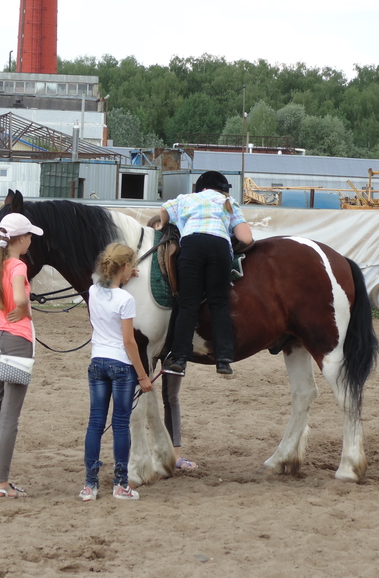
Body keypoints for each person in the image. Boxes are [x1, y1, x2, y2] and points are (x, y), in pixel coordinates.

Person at [160, 170, 253, 376]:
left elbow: (164, 211)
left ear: (201, 188)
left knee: (188, 303)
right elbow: (246, 238)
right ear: (223, 190)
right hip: (219, 246)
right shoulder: (228, 202)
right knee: (219, 303)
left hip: (192, 244)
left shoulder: (186, 199)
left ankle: (179, 358)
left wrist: (163, 223)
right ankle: (223, 359)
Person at [80, 243, 153, 501]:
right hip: (121, 365)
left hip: (97, 362)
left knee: (95, 423)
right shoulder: (126, 300)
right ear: (124, 267)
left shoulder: (93, 291)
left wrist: (125, 275)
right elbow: (129, 341)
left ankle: (90, 485)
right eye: (131, 266)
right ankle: (121, 484)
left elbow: (106, 285)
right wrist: (143, 376)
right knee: (121, 425)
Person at [0, 212, 44, 499]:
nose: (30, 240)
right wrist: (24, 308)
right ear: (20, 239)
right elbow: (19, 299)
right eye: (28, 236)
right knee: (10, 417)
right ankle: (2, 484)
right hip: (17, 342)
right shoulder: (18, 266)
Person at [146, 215, 199, 470]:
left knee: (171, 397)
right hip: (152, 337)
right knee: (148, 397)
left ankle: (175, 454)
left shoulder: (181, 263)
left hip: (174, 340)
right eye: (157, 231)